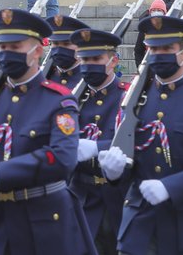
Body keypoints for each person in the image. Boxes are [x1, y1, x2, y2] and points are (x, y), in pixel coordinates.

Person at [0, 8, 94, 254]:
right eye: (2, 47)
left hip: (42, 220)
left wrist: (2, 172)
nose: (7, 54)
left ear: (37, 52)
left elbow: (62, 158)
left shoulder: (58, 100)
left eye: (15, 47)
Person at [98, 16, 183, 255]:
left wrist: (170, 186)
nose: (158, 54)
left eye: (167, 48)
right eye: (153, 48)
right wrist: (115, 172)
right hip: (141, 223)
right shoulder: (133, 99)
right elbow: (128, 150)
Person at [69, 28, 128, 255]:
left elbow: (139, 139)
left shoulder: (127, 97)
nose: (88, 65)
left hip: (117, 195)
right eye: (84, 59)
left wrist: (98, 148)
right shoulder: (72, 100)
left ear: (113, 61)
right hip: (81, 195)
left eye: (96, 59)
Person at [46, 15, 88, 88]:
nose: (59, 49)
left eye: (66, 44)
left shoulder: (89, 79)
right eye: (55, 43)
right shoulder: (44, 75)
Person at [133, 0, 169, 66]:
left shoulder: (169, 30)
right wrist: (141, 67)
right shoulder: (144, 30)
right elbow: (138, 51)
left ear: (164, 13)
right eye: (153, 10)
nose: (156, 12)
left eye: (159, 10)